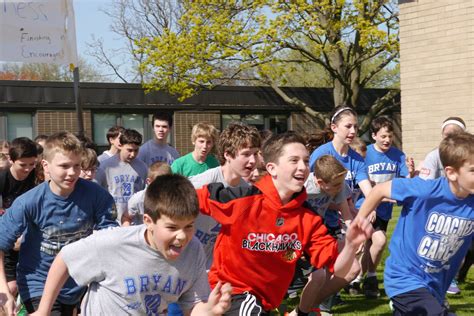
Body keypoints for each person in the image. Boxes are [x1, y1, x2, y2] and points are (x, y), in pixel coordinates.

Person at [196, 132, 373, 315]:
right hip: (229, 294)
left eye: (305, 161)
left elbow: (337, 268)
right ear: (272, 168)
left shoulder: (308, 218)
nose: (303, 168)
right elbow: (183, 199)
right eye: (294, 160)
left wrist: (351, 245)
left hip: (264, 302)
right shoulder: (241, 200)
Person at [29, 174, 233, 316]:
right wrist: (44, 310)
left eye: (189, 226)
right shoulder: (114, 243)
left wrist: (208, 311)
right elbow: (65, 257)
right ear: (148, 221)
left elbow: (192, 306)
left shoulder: (193, 249)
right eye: (172, 227)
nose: (182, 236)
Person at [0, 132, 118, 315]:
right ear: (46, 166)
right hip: (39, 281)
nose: (72, 173)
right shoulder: (29, 202)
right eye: (64, 166)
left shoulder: (97, 195)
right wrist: (5, 292)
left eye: (76, 166)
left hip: (81, 281)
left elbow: (111, 239)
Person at [356, 132, 473, 316]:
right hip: (404, 278)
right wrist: (360, 222)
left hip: (435, 285)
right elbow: (379, 190)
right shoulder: (424, 190)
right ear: (451, 172)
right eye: (473, 170)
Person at [307, 106, 372, 308]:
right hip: (312, 222)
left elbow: (367, 189)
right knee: (318, 271)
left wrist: (372, 206)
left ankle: (318, 305)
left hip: (338, 219)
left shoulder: (357, 159)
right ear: (334, 127)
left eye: (356, 127)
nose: (353, 131)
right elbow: (308, 190)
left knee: (349, 268)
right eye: (348, 126)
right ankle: (309, 303)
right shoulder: (321, 154)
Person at [189, 122, 261, 269]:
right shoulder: (201, 183)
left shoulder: (247, 191)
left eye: (255, 154)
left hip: (214, 268)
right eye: (246, 154)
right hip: (185, 263)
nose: (253, 161)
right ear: (227, 154)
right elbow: (152, 197)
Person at [358, 116, 415, 298]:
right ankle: (371, 279)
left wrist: (411, 173)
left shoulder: (398, 156)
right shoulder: (364, 154)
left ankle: (357, 278)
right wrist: (371, 205)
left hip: (384, 210)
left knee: (371, 245)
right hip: (365, 207)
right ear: (374, 135)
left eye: (389, 136)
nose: (387, 140)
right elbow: (361, 182)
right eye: (383, 136)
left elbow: (404, 184)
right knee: (379, 241)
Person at [419, 116, 467, 296]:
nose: (449, 139)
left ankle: (450, 276)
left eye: (454, 135)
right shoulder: (434, 156)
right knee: (433, 248)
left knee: (458, 245)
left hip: (461, 207)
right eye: (446, 135)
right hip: (437, 207)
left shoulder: (467, 158)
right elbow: (424, 187)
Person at [0, 137, 38, 299]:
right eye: (23, 165)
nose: (28, 169)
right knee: (10, 287)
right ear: (10, 159)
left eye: (32, 164)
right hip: (5, 239)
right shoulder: (2, 180)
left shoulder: (37, 177)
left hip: (28, 239)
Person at [95, 128, 148, 224]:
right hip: (112, 222)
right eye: (129, 150)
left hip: (134, 222)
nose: (133, 154)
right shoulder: (106, 166)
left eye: (136, 150)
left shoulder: (143, 167)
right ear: (120, 145)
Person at [122, 161, 172, 226]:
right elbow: (126, 217)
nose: (163, 186)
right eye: (159, 182)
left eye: (167, 182)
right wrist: (127, 229)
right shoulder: (139, 198)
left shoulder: (175, 198)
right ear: (149, 181)